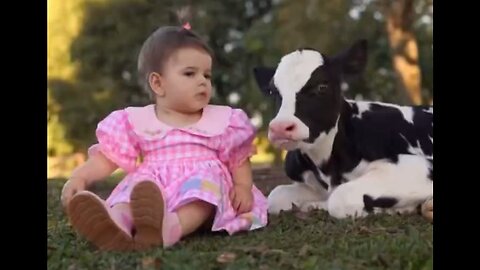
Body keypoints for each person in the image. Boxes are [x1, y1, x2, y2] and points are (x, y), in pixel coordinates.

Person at [60, 21, 268, 251]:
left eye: (207, 75)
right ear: (158, 83)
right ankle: (116, 226)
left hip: (202, 185)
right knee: (130, 196)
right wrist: (80, 177)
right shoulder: (137, 121)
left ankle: (170, 227)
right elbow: (108, 157)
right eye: (190, 73)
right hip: (153, 187)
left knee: (202, 196)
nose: (203, 81)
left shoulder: (221, 120)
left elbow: (238, 156)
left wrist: (242, 186)